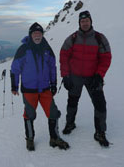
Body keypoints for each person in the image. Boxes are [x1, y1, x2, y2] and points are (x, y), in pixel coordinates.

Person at [11, 23, 70, 151]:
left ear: (42, 35)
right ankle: (30, 139)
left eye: (39, 33)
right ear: (30, 35)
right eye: (34, 34)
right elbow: (15, 69)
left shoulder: (47, 49)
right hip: (29, 90)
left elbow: (52, 68)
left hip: (45, 89)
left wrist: (53, 84)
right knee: (29, 115)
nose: (37, 36)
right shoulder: (23, 50)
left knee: (53, 113)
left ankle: (54, 138)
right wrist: (14, 86)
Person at [60, 10, 112, 147]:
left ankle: (100, 132)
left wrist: (99, 75)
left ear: (91, 21)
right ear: (79, 23)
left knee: (100, 104)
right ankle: (70, 123)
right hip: (75, 76)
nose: (84, 23)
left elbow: (106, 58)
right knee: (72, 101)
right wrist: (65, 75)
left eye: (87, 21)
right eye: (82, 21)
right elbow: (63, 56)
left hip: (93, 77)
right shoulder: (72, 38)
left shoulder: (99, 38)